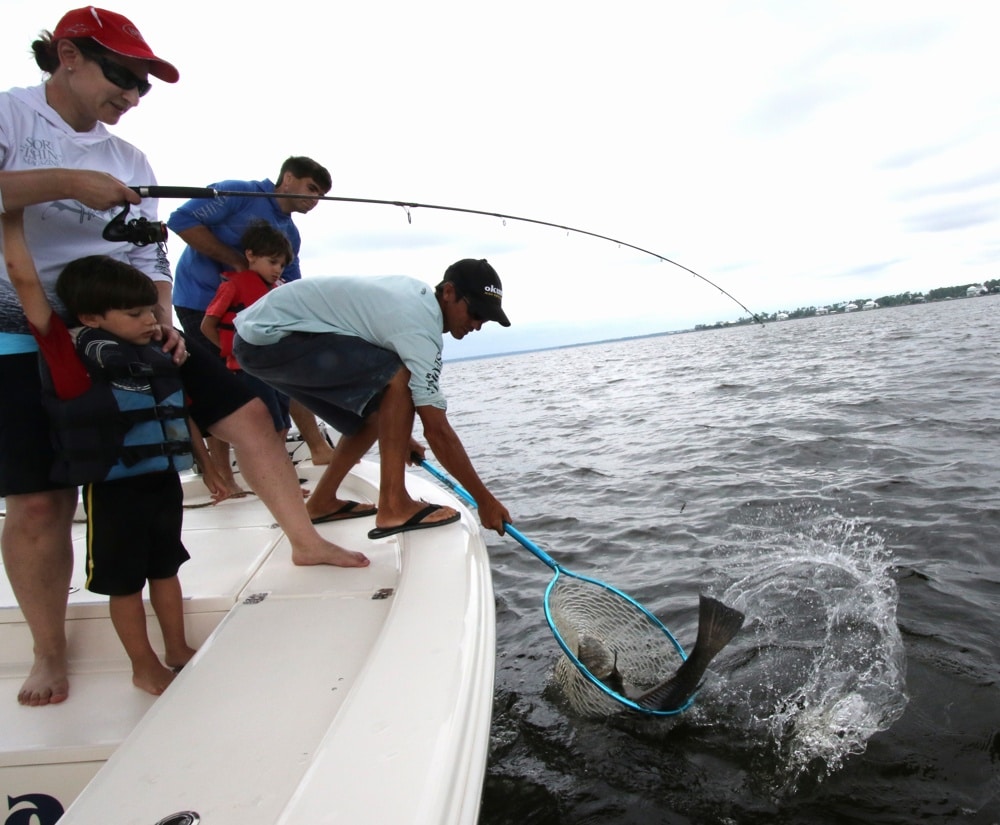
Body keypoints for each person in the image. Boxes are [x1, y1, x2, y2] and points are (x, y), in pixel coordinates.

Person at [0, 7, 366, 708]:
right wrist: (69, 183)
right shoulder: (10, 119)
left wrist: (161, 318)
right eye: (124, 76)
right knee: (41, 501)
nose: (134, 96)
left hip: (136, 329)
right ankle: (49, 647)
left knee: (252, 414)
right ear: (68, 55)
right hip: (27, 331)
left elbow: (148, 250)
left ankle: (303, 538)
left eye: (143, 84)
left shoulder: (131, 159)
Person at [1, 210, 230, 694]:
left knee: (167, 569)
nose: (152, 320)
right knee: (125, 583)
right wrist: (11, 220)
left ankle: (176, 647)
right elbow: (24, 280)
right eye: (137, 314)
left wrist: (209, 469)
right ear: (91, 318)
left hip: (163, 483)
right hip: (114, 491)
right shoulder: (68, 353)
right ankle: (143, 665)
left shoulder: (157, 352)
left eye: (150, 311)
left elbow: (176, 412)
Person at [233, 258, 512, 537]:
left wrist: (399, 435)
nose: (477, 324)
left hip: (258, 340)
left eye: (485, 318)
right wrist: (484, 501)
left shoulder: (415, 298)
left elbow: (385, 395)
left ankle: (322, 502)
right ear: (448, 292)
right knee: (399, 378)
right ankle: (393, 505)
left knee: (373, 414)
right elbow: (437, 430)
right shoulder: (419, 327)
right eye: (475, 312)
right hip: (270, 336)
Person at [168, 156, 337, 479]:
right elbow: (181, 219)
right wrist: (236, 263)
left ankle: (315, 448)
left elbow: (291, 285)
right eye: (311, 188)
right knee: (222, 384)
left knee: (283, 373)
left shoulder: (291, 234)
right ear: (287, 178)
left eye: (321, 196)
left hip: (251, 317)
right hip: (200, 303)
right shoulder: (239, 193)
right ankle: (222, 475)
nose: (314, 199)